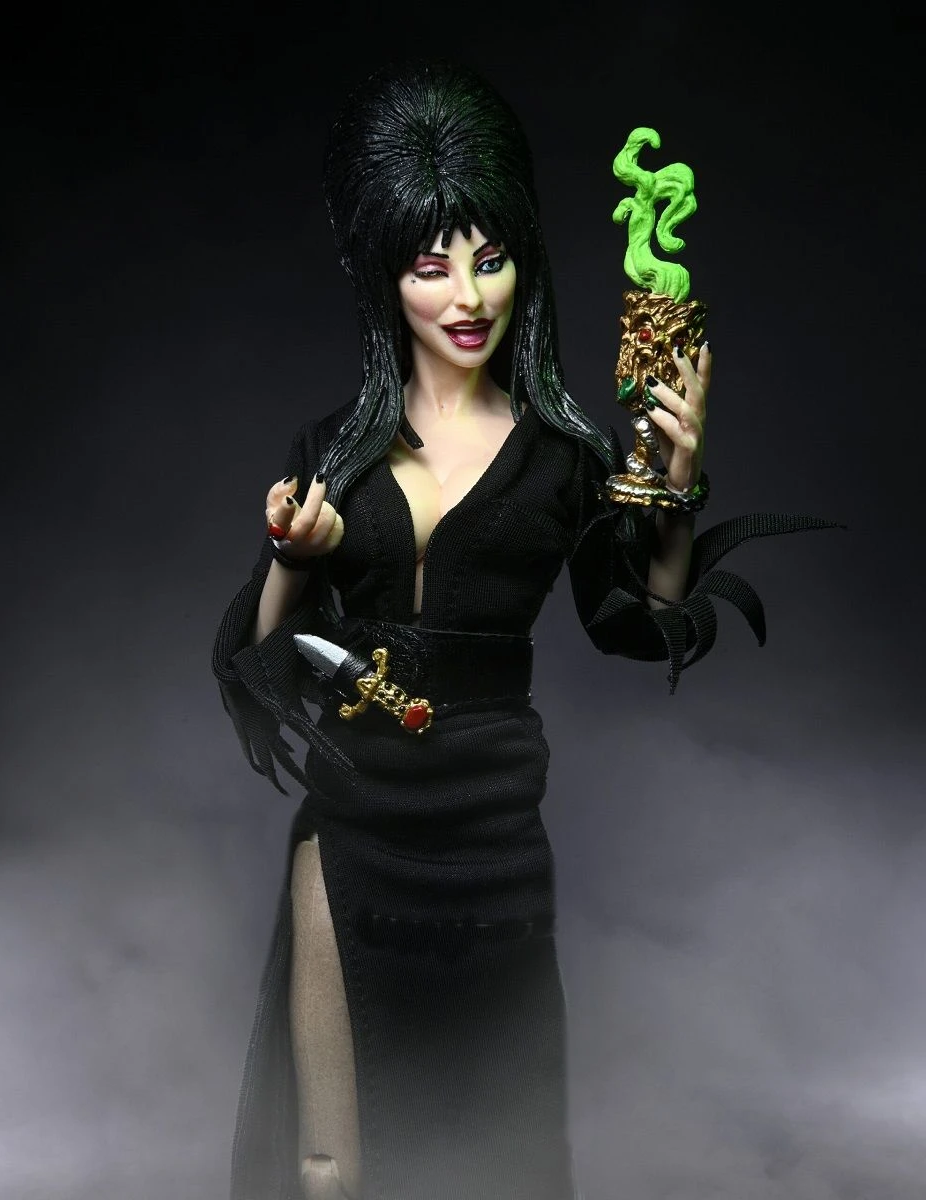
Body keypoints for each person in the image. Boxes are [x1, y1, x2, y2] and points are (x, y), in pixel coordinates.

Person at [212, 58, 839, 1200]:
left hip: (491, 837)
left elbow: (637, 622)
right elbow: (264, 657)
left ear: (523, 264)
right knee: (326, 1160)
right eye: (431, 265)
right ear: (386, 276)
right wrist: (296, 562)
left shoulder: (565, 458)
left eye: (489, 258)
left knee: (492, 1152)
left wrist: (673, 485)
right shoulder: (334, 450)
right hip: (350, 822)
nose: (468, 296)